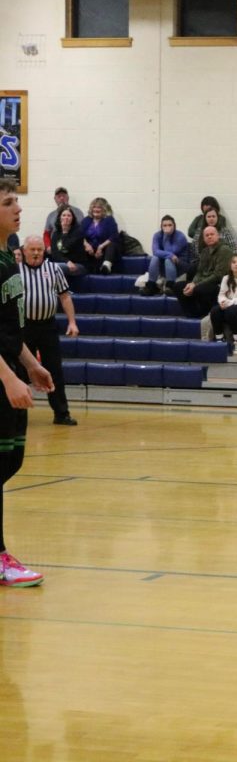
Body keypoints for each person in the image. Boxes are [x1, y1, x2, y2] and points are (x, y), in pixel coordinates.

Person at [0, 180, 56, 587]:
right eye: (7, 203)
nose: (17, 209)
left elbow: (7, 327)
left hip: (11, 370)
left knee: (11, 461)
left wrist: (28, 365)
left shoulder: (9, 257)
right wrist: (7, 378)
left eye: (16, 201)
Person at [19, 234, 79, 426]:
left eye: (39, 250)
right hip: (23, 327)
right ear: (24, 251)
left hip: (47, 326)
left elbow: (65, 297)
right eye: (32, 250)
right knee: (19, 370)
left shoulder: (53, 269)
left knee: (54, 370)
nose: (36, 253)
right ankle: (15, 411)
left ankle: (61, 413)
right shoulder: (15, 271)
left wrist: (72, 322)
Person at [175, 225, 233, 318]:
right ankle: (193, 314)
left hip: (220, 285)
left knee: (200, 289)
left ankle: (205, 313)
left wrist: (196, 285)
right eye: (207, 235)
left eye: (212, 234)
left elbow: (218, 275)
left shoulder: (225, 250)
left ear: (218, 236)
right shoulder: (205, 251)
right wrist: (192, 283)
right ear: (204, 238)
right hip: (204, 283)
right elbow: (199, 272)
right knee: (178, 287)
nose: (209, 236)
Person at [144, 215, 189, 295]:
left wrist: (166, 237)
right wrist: (170, 255)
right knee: (155, 258)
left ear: (174, 226)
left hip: (180, 264)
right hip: (165, 265)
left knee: (168, 259)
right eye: (164, 225)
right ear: (161, 227)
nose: (167, 227)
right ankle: (151, 285)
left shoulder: (180, 236)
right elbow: (155, 251)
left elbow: (171, 251)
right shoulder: (157, 235)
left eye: (170, 225)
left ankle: (171, 286)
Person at [79, 197, 121, 274]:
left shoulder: (109, 219)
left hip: (105, 250)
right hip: (90, 251)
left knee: (112, 244)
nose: (96, 209)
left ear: (104, 209)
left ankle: (106, 266)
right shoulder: (86, 220)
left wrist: (100, 247)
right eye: (94, 207)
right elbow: (80, 235)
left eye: (99, 207)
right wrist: (87, 245)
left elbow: (114, 236)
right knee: (79, 244)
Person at [48, 205, 89, 276]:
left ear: (72, 219)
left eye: (69, 216)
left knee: (56, 268)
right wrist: (67, 261)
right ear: (59, 218)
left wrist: (65, 232)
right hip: (65, 263)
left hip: (78, 264)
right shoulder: (56, 234)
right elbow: (55, 254)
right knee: (50, 267)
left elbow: (66, 247)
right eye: (63, 215)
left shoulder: (78, 232)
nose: (66, 218)